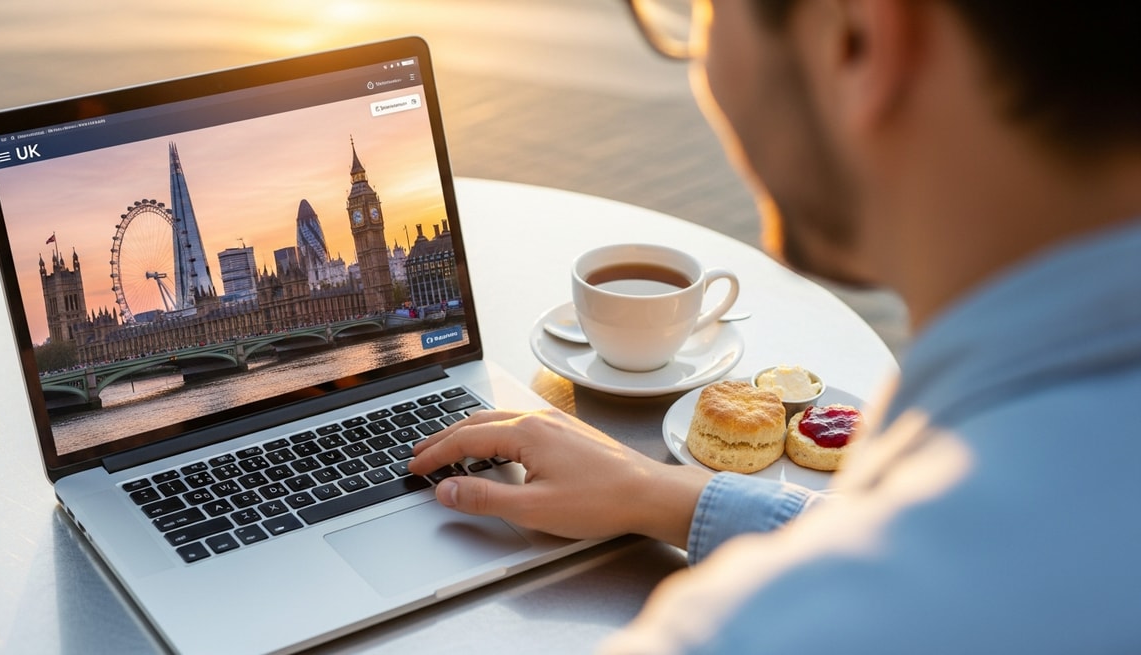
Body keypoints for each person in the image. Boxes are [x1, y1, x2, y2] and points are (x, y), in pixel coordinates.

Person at [410, 0, 1141, 651]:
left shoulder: (759, 629)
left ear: (856, 40)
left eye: (697, 13)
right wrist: (664, 494)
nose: (700, 58)